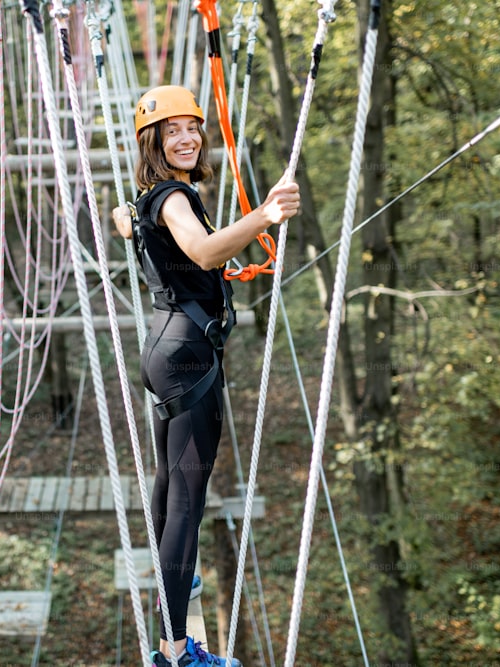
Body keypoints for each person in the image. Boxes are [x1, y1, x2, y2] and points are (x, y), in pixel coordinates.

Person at [111, 85, 300, 666]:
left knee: (172, 494)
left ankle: (174, 598)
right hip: (188, 359)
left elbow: (127, 221)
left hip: (168, 352)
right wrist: (264, 215)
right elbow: (205, 252)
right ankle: (174, 652)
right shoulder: (173, 197)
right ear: (153, 142)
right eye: (172, 131)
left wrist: (121, 215)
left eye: (192, 128)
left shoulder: (149, 198)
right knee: (187, 505)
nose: (187, 137)